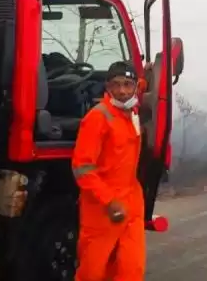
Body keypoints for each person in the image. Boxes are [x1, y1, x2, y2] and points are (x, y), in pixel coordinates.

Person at [72, 60, 146, 281]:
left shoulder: (131, 114)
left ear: (136, 87)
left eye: (127, 84)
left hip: (131, 206)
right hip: (101, 210)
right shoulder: (98, 117)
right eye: (116, 84)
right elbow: (82, 167)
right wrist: (109, 201)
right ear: (107, 87)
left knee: (131, 269)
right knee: (92, 273)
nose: (122, 91)